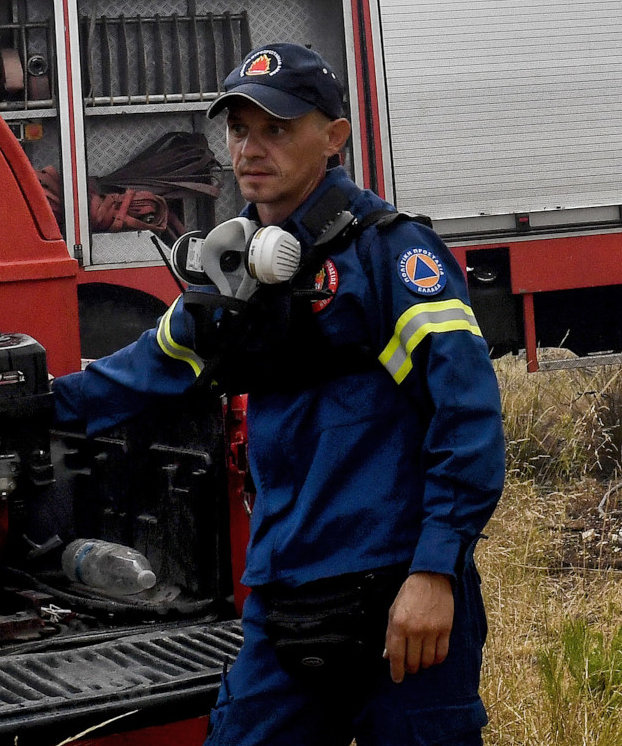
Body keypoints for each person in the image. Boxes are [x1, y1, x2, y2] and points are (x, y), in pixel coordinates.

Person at [53, 43, 505, 746]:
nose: (250, 150)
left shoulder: (394, 255)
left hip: (399, 596)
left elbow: (469, 419)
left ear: (334, 137)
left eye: (276, 129)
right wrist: (24, 406)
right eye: (238, 130)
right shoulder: (231, 278)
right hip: (285, 593)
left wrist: (435, 571)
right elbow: (142, 373)